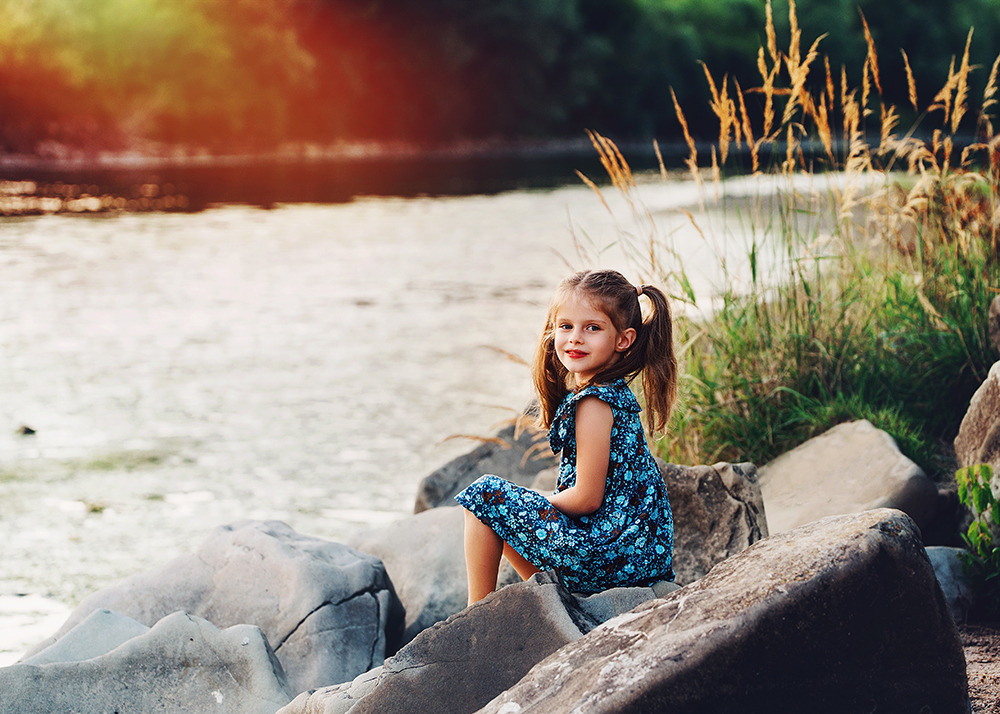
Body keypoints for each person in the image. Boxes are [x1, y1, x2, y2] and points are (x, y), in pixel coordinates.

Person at [455, 268, 678, 605]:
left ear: (624, 339)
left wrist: (536, 501)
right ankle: (550, 593)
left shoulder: (593, 403)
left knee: (485, 496)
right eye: (566, 326)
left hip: (609, 556)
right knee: (509, 511)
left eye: (592, 328)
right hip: (635, 556)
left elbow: (587, 498)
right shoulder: (611, 392)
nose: (575, 338)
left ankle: (475, 609)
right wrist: (528, 506)